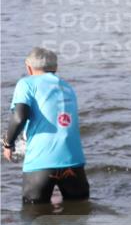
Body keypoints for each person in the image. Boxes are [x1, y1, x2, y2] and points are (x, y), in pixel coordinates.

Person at [3, 48, 88, 205]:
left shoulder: (26, 83)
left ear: (29, 67)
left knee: (33, 213)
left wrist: (8, 144)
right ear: (55, 67)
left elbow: (19, 118)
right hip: (74, 162)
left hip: (41, 163)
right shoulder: (67, 87)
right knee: (78, 212)